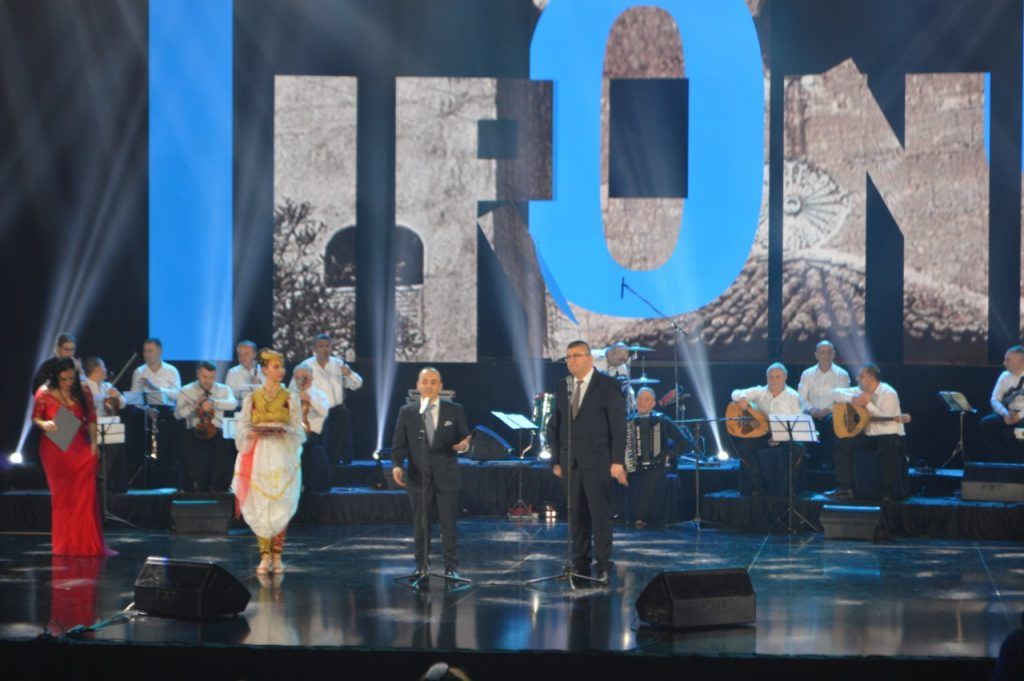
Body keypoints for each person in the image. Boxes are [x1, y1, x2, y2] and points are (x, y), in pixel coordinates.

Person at [546, 340, 628, 584]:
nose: (571, 361)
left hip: (599, 461)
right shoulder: (563, 385)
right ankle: (579, 562)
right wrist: (556, 459)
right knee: (576, 515)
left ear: (589, 359)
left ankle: (603, 565)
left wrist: (617, 461)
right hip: (570, 462)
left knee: (599, 515)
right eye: (568, 357)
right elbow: (555, 425)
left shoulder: (607, 385)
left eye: (576, 356)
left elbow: (618, 426)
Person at [391, 367, 471, 581]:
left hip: (447, 476)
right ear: (418, 385)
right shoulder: (407, 412)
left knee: (448, 525)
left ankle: (451, 567)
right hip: (418, 477)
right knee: (421, 525)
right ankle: (421, 566)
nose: (428, 385)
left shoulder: (454, 410)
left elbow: (464, 438)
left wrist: (463, 446)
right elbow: (398, 445)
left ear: (440, 386)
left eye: (433, 382)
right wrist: (397, 466)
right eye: (425, 381)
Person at [31, 358, 115, 556]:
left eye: (71, 378)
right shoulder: (44, 392)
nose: (68, 382)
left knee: (84, 496)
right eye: (63, 379)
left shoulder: (83, 390)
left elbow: (91, 417)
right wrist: (44, 424)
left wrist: (94, 443)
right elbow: (35, 418)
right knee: (63, 498)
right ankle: (65, 545)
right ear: (56, 377)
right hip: (54, 450)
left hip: (78, 446)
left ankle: (85, 543)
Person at [232, 349, 305, 574]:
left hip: (282, 453)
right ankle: (264, 555)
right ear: (264, 370)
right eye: (275, 367)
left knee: (281, 502)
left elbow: (298, 430)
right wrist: (251, 433)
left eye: (282, 367)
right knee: (261, 503)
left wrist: (285, 431)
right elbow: (242, 427)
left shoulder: (290, 398)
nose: (281, 371)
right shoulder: (252, 398)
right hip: (259, 453)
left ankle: (277, 554)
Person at [825, 364, 910, 501]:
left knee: (888, 445)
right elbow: (834, 393)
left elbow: (886, 421)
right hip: (869, 435)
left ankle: (886, 491)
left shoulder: (888, 393)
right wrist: (854, 399)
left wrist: (867, 404)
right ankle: (846, 488)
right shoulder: (860, 391)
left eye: (861, 375)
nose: (857, 378)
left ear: (871, 378)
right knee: (841, 444)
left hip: (889, 435)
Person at [730, 362, 805, 496]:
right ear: (766, 377)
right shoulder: (759, 391)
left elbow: (797, 422)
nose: (774, 380)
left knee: (798, 448)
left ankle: (785, 488)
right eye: (771, 377)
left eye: (777, 377)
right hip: (763, 434)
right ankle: (758, 485)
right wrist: (742, 398)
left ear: (785, 377)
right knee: (743, 447)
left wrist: (780, 436)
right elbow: (735, 392)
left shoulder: (793, 396)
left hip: (786, 435)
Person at [627, 387, 693, 529]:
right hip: (632, 465)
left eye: (646, 399)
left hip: (656, 466)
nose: (642, 402)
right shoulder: (628, 420)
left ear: (653, 403)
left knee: (649, 477)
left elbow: (684, 442)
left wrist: (668, 455)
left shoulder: (662, 420)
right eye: (639, 398)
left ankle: (640, 517)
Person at [293, 333, 363, 464]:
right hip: (316, 413)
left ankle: (340, 471)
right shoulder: (306, 365)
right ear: (314, 348)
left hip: (337, 412)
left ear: (331, 348)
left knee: (340, 451)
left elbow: (357, 384)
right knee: (319, 451)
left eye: (327, 346)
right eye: (320, 346)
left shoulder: (338, 364)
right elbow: (294, 388)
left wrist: (349, 374)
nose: (324, 349)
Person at [174, 361, 238, 492]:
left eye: (211, 378)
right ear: (198, 374)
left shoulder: (223, 389)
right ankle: (194, 485)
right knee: (188, 440)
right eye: (204, 377)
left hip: (216, 430)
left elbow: (233, 404)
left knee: (224, 444)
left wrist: (214, 402)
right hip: (195, 430)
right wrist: (194, 406)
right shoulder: (186, 390)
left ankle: (218, 486)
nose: (207, 381)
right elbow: (177, 415)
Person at [797, 340, 850, 470]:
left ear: (834, 354)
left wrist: (828, 410)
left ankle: (827, 461)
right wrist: (813, 410)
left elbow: (843, 398)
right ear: (816, 355)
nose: (826, 356)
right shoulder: (807, 374)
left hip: (832, 413)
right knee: (802, 419)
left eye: (829, 352)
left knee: (830, 422)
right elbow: (801, 397)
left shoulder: (842, 374)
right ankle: (805, 460)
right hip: (811, 412)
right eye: (822, 353)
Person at [83, 356, 127, 493]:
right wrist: (103, 398)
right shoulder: (84, 386)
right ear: (96, 369)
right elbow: (85, 407)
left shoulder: (107, 386)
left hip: (106, 424)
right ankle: (99, 476)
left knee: (117, 437)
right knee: (113, 438)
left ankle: (102, 474)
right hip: (89, 426)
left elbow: (124, 403)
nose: (106, 370)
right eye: (104, 367)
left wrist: (116, 396)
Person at [978, 345, 1024, 459]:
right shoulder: (1004, 376)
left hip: (1022, 414)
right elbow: (995, 399)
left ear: (1021, 361)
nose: (1004, 363)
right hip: (1008, 413)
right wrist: (1005, 413)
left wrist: (1019, 416)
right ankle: (1000, 459)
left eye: (1008, 360)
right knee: (986, 423)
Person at [292, 365, 331, 493]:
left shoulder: (319, 395)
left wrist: (309, 399)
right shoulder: (290, 396)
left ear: (311, 378)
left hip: (313, 436)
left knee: (309, 448)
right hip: (294, 434)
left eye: (305, 378)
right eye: (297, 378)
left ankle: (308, 486)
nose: (301, 381)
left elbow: (324, 412)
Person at [225, 340, 264, 406]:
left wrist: (260, 385)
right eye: (239, 355)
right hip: (240, 409)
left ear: (254, 354)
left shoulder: (264, 371)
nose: (242, 357)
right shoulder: (232, 372)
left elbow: (270, 395)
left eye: (246, 354)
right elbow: (228, 397)